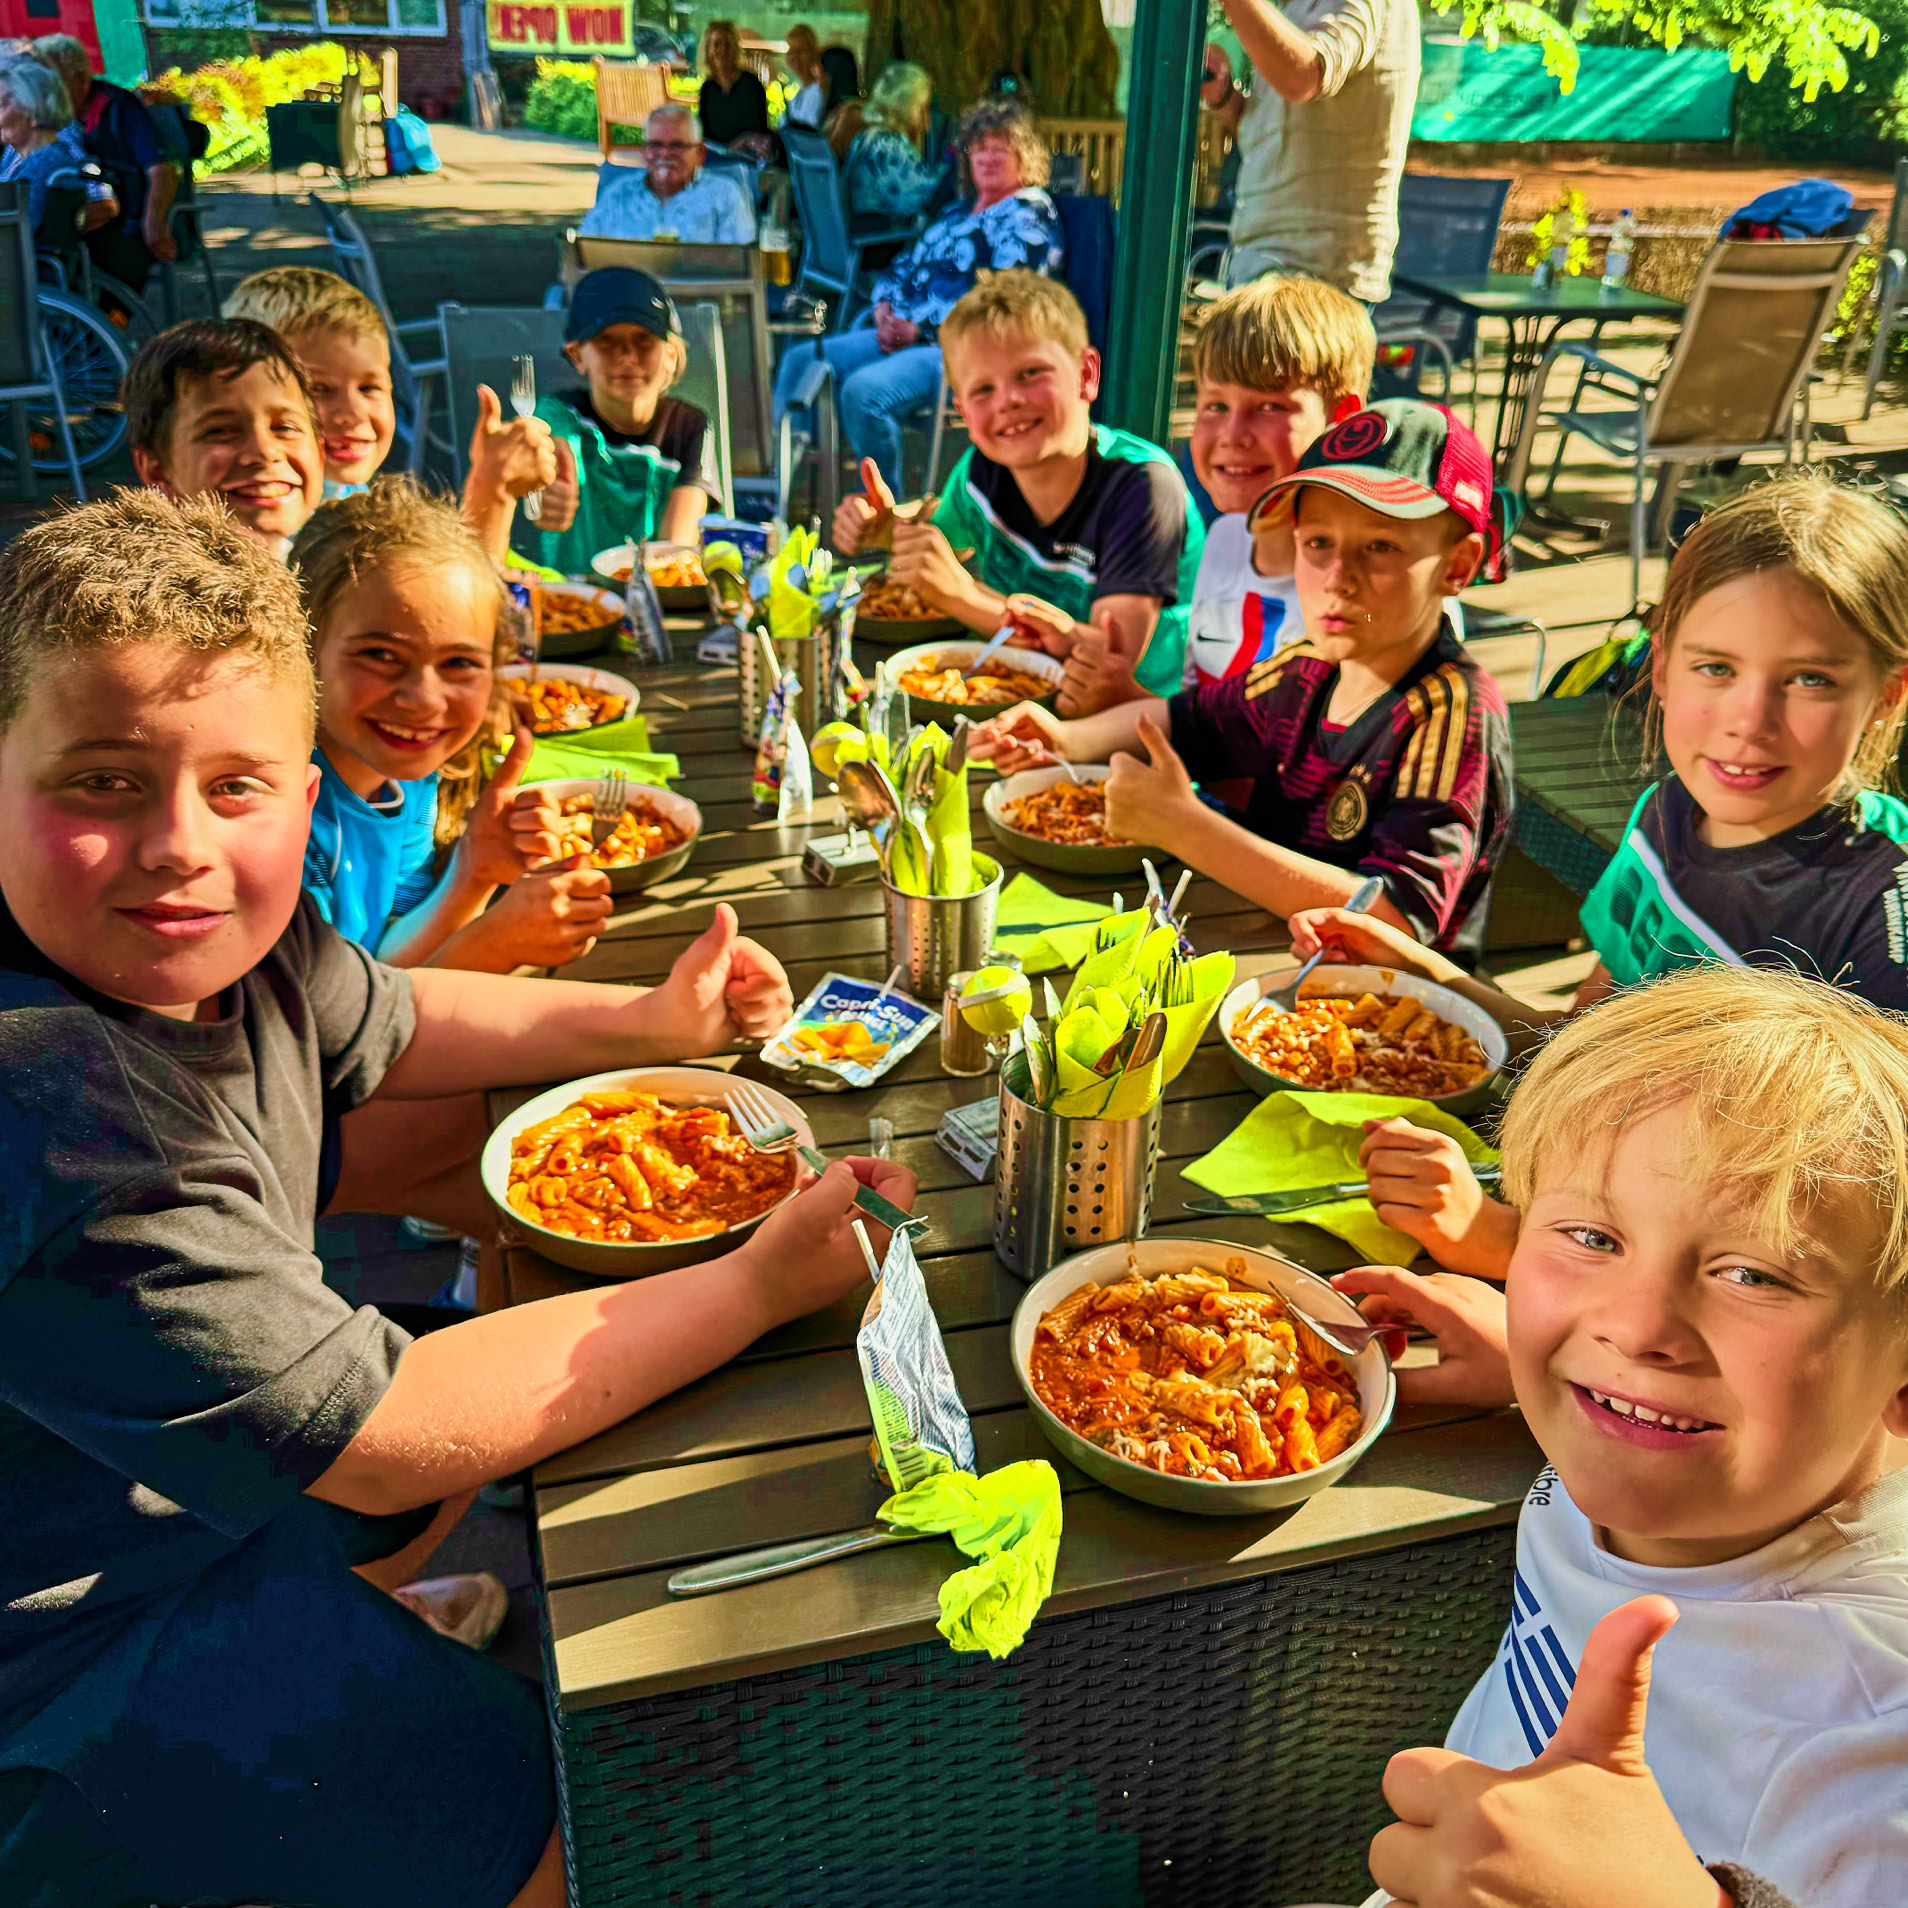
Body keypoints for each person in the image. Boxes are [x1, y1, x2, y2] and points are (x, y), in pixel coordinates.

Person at [0, 488, 898, 1908]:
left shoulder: (244, 929)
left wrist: (647, 1024)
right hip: (72, 1646)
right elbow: (385, 1434)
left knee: (453, 1395)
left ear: (300, 793)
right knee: (557, 1822)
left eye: (232, 786)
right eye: (101, 780)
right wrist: (758, 1283)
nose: (178, 841)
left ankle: (343, 1658)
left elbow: (397, 1013)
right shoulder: (61, 1116)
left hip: (150, 1487)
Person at [1317, 965, 1908, 1908]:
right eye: (1593, 1238)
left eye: (1753, 1275)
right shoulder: (1674, 1437)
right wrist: (1526, 1372)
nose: (1634, 1330)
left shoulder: (1870, 1742)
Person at [1285, 472, 1908, 1283]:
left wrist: (1511, 1245)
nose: (1749, 721)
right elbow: (1587, 1042)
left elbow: (1826, 1250)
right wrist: (1429, 980)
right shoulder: (1667, 814)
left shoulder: (1879, 914)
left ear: (1888, 696)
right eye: (1716, 667)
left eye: (1811, 679)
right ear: (1660, 663)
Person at [970, 398, 1514, 956]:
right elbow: (1185, 721)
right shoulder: (1307, 666)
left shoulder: (1451, 709)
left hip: (1390, 1009)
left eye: (1380, 546)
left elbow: (1392, 920)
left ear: (1456, 567)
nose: (1337, 578)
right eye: (1318, 543)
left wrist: (1185, 827)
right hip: (1259, 944)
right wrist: (1062, 738)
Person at [835, 271, 1203, 705]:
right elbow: (941, 542)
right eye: (984, 389)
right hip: (1003, 697)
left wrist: (966, 597)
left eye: (1030, 374)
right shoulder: (980, 471)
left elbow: (1114, 660)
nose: (1008, 400)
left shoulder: (1143, 487)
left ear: (1086, 374)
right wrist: (885, 530)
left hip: (1128, 726)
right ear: (964, 414)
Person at [291, 481, 612, 973]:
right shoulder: (281, 823)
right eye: (380, 656)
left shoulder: (411, 775)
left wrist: (473, 874)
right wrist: (492, 947)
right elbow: (330, 1030)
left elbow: (386, 960)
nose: (423, 700)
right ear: (302, 650)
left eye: (460, 662)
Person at [773, 99, 1063, 494]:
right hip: (895, 334)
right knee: (800, 361)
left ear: (1024, 157)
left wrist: (922, 329)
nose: (988, 157)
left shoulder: (1028, 214)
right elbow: (903, 265)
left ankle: (889, 514)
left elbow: (1003, 301)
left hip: (958, 351)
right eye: (980, 147)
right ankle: (786, 496)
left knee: (863, 392)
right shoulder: (958, 213)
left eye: (1001, 148)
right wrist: (883, 307)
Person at [221, 265, 557, 561]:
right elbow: (451, 619)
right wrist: (492, 490)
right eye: (318, 389)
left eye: (369, 388)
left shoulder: (347, 494)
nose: (352, 414)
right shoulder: (266, 532)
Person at [1183, 274, 1374, 688]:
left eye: (1269, 406)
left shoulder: (1375, 593)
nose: (1233, 435)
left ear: (1343, 420)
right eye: (1215, 405)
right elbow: (1190, 707)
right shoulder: (1223, 538)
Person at [1202, 0, 1420, 304]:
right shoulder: (1294, 9)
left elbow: (1303, 77)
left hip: (1309, 284)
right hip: (1268, 269)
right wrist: (1224, 96)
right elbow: (1269, 140)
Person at [516, 267, 720, 578]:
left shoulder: (691, 426)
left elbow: (677, 545)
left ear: (671, 353)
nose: (626, 355)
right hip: (571, 593)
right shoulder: (559, 412)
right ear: (577, 355)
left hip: (655, 595)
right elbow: (550, 442)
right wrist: (547, 484)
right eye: (606, 341)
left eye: (643, 339)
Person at [126, 317, 324, 551]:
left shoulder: (337, 570)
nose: (265, 451)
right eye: (220, 431)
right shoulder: (139, 585)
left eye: (285, 428)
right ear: (156, 470)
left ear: (321, 453)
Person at [31, 32, 175, 291]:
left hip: (124, 227)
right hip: (77, 228)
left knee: (113, 273)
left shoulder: (119, 107)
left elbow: (162, 170)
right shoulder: (50, 118)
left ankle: (112, 325)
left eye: (53, 80)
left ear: (79, 79)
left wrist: (153, 222)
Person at [579, 104, 755, 246]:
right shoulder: (619, 194)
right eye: (655, 145)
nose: (664, 154)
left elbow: (741, 267)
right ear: (644, 152)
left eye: (677, 145)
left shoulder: (724, 195)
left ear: (700, 153)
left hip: (699, 289)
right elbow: (582, 254)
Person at [0, 54, 110, 239]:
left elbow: (19, 236)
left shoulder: (49, 159)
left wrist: (65, 234)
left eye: (1, 105)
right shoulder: (15, 152)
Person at [837, 60, 939, 222]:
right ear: (905, 107)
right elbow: (934, 197)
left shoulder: (867, 137)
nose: (927, 121)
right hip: (888, 240)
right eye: (922, 108)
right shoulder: (889, 146)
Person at [695, 19, 770, 155]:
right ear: (709, 50)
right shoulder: (707, 89)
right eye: (717, 45)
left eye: (727, 45)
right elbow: (704, 135)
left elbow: (761, 130)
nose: (723, 50)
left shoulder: (751, 84)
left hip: (747, 155)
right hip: (717, 157)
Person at [783, 23, 826, 127]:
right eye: (791, 51)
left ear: (813, 54)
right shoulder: (797, 94)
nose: (794, 57)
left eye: (800, 51)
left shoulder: (819, 92)